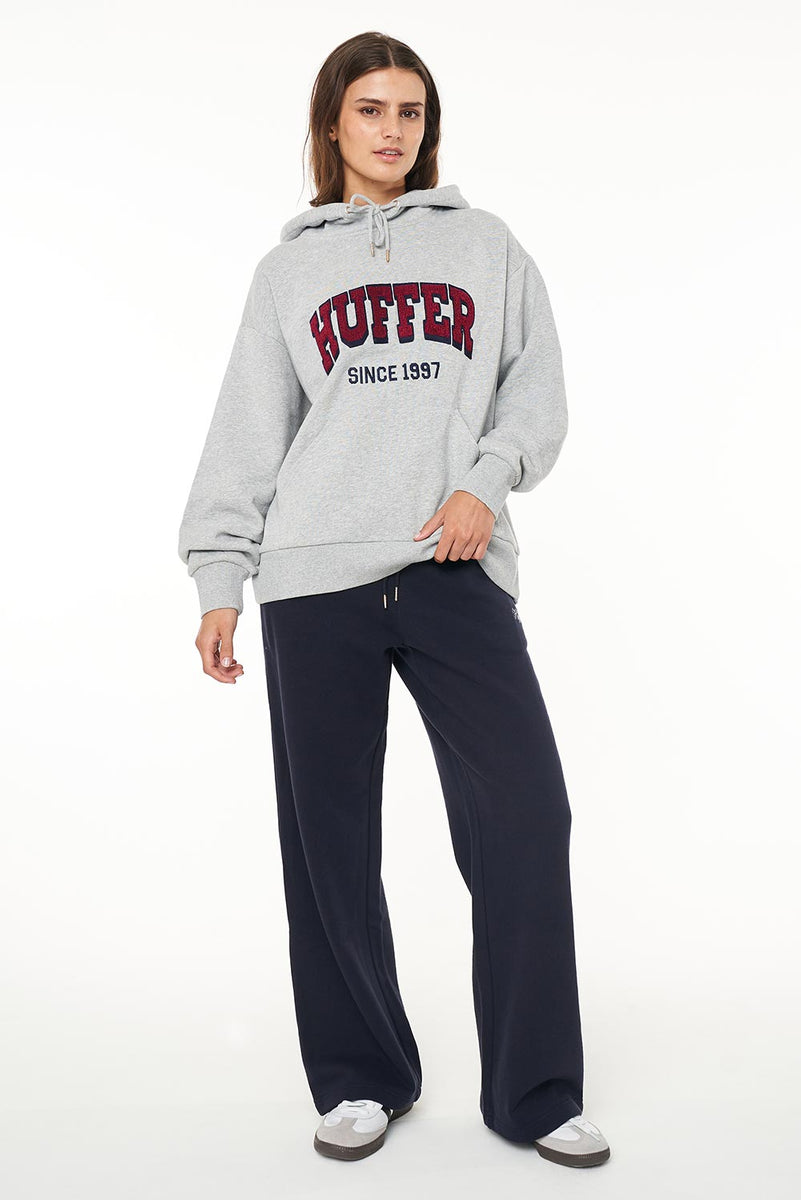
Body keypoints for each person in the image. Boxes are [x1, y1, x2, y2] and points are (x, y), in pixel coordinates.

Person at [177, 30, 611, 1169]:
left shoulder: (485, 245)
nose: (391, 130)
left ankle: (536, 1093)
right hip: (312, 575)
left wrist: (484, 481)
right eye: (369, 109)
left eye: (409, 111)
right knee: (328, 839)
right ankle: (361, 1078)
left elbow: (537, 393)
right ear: (332, 124)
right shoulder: (287, 274)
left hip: (452, 564)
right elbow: (247, 431)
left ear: (429, 127)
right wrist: (220, 575)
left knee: (526, 815)